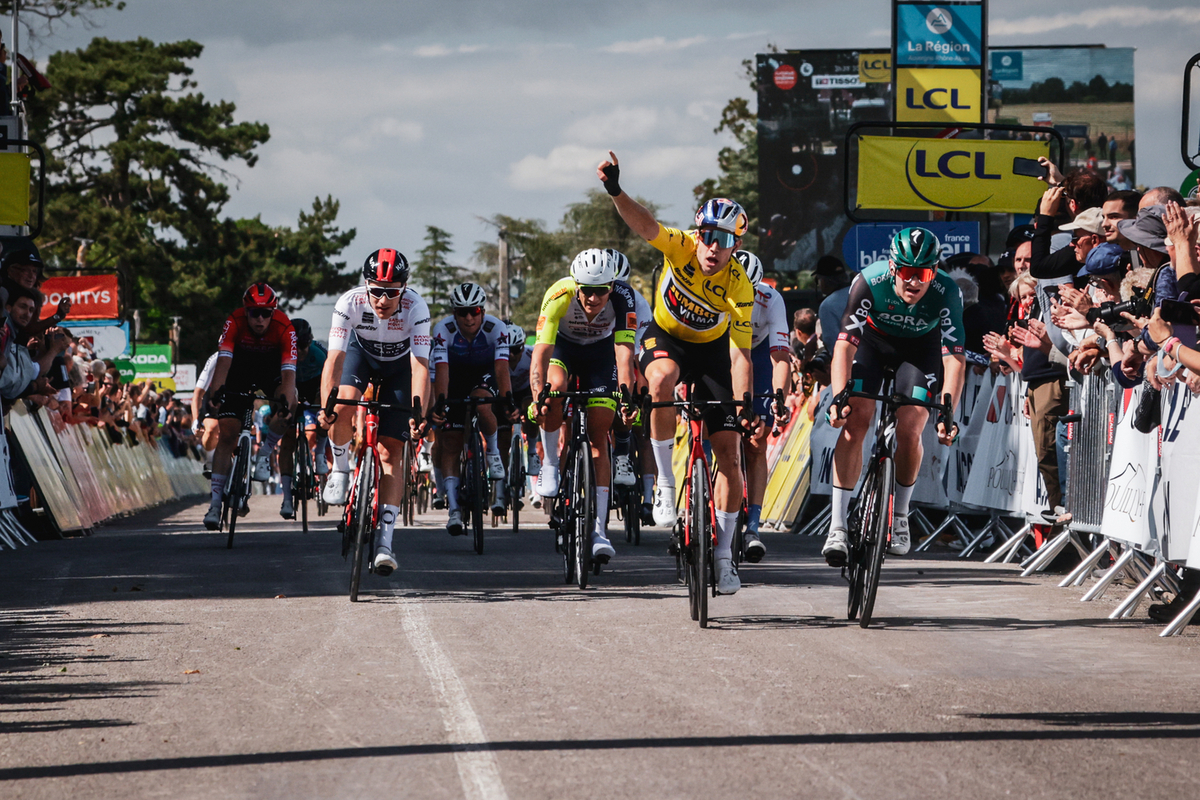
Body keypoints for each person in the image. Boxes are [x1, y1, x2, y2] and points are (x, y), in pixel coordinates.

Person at [597, 150, 758, 595]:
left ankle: (725, 556)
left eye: (723, 240)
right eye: (707, 235)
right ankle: (665, 484)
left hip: (710, 354)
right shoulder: (682, 245)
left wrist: (742, 406)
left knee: (729, 454)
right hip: (665, 338)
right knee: (662, 378)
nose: (712, 246)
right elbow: (645, 225)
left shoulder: (740, 286)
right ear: (698, 233)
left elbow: (741, 355)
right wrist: (615, 190)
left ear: (736, 247)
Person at [821, 228, 965, 566]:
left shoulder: (947, 292)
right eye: (906, 272)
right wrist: (839, 395)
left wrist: (948, 413)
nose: (914, 282)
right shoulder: (870, 281)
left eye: (923, 274)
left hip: (919, 349)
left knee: (912, 426)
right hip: (872, 344)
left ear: (934, 271)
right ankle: (837, 526)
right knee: (855, 420)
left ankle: (900, 515)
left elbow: (954, 357)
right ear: (892, 267)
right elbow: (844, 344)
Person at [320, 248, 431, 576]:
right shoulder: (349, 303)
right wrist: (327, 405)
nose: (383, 299)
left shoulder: (416, 308)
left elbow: (421, 367)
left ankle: (385, 542)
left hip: (400, 367)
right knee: (341, 405)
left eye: (392, 291)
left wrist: (418, 413)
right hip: (361, 357)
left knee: (390, 451)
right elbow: (335, 360)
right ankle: (340, 469)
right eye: (376, 290)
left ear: (404, 288)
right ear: (365, 286)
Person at [530, 248, 637, 563]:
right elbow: (541, 353)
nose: (592, 299)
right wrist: (539, 394)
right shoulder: (558, 294)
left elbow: (624, 356)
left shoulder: (623, 299)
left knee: (599, 430)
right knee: (554, 393)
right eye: (586, 291)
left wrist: (626, 397)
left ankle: (599, 531)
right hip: (564, 349)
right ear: (576, 286)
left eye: (600, 291)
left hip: (601, 354)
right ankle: (550, 463)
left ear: (611, 287)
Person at [202, 283, 299, 530]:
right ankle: (214, 505)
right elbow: (224, 361)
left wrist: (286, 403)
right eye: (254, 312)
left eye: (266, 313)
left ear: (273, 312)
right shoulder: (234, 321)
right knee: (227, 435)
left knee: (290, 402)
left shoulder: (285, 326)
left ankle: (266, 452)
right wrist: (217, 392)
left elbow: (289, 373)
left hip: (271, 371)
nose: (260, 318)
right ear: (245, 311)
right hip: (239, 371)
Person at [428, 282, 513, 535]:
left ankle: (493, 453)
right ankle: (454, 510)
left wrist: (507, 399)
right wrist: (441, 404)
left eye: (474, 311)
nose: (468, 317)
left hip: (484, 374)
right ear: (454, 313)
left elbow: (501, 368)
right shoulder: (443, 329)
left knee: (483, 404)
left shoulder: (496, 328)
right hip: (453, 376)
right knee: (451, 443)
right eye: (462, 312)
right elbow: (441, 370)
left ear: (482, 312)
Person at [738, 250, 791, 562]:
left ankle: (753, 527)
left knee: (757, 442)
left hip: (756, 354)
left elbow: (780, 355)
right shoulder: (713, 292)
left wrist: (778, 398)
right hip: (721, 350)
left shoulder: (770, 298)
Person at [288, 318, 331, 483]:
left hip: (315, 384)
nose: (299, 353)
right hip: (293, 382)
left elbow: (330, 379)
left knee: (323, 413)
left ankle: (319, 453)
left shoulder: (319, 354)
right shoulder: (282, 352)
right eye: (295, 349)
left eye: (303, 348)